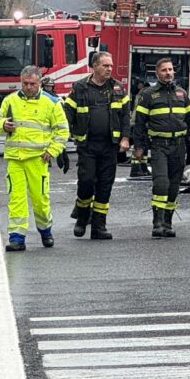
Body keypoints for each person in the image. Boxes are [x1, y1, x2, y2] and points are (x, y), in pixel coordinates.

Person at [0, 65, 70, 251]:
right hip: (15, 159)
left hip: (38, 159)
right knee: (16, 198)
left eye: (32, 84)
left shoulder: (51, 102)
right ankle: (17, 237)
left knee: (40, 199)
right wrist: (4, 125)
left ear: (39, 82)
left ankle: (45, 230)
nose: (28, 87)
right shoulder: (10, 100)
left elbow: (62, 130)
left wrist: (52, 151)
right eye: (25, 84)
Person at [133, 56, 190, 238]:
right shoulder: (149, 95)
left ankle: (168, 222)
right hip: (159, 146)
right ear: (157, 73)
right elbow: (140, 124)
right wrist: (139, 147)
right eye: (164, 70)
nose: (168, 73)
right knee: (161, 183)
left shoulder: (181, 94)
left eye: (170, 70)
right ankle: (157, 222)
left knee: (173, 186)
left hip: (178, 146)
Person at [63, 51, 131, 239]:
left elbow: (126, 115)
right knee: (86, 182)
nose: (109, 69)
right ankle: (82, 217)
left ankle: (99, 226)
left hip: (110, 146)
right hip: (88, 146)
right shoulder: (80, 88)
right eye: (105, 65)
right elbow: (67, 112)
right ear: (94, 66)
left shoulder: (117, 88)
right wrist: (63, 136)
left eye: (111, 65)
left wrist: (126, 138)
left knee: (104, 185)